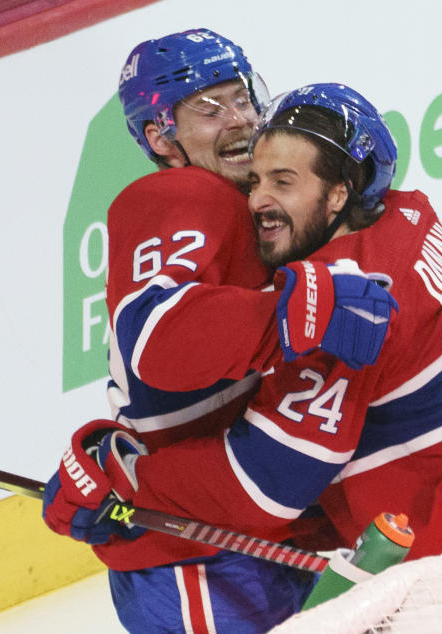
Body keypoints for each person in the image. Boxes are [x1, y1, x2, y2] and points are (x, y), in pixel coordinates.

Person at [46, 82, 442, 584]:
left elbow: (270, 479)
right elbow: (428, 332)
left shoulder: (345, 302)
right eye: (256, 180)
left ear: (339, 193)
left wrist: (126, 476)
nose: (258, 201)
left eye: (284, 182)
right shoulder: (408, 215)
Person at [42, 31, 398, 633]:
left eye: (243, 98)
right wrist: (293, 315)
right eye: (209, 109)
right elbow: (156, 336)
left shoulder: (271, 198)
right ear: (160, 137)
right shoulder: (180, 194)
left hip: (289, 527)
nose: (240, 120)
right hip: (194, 555)